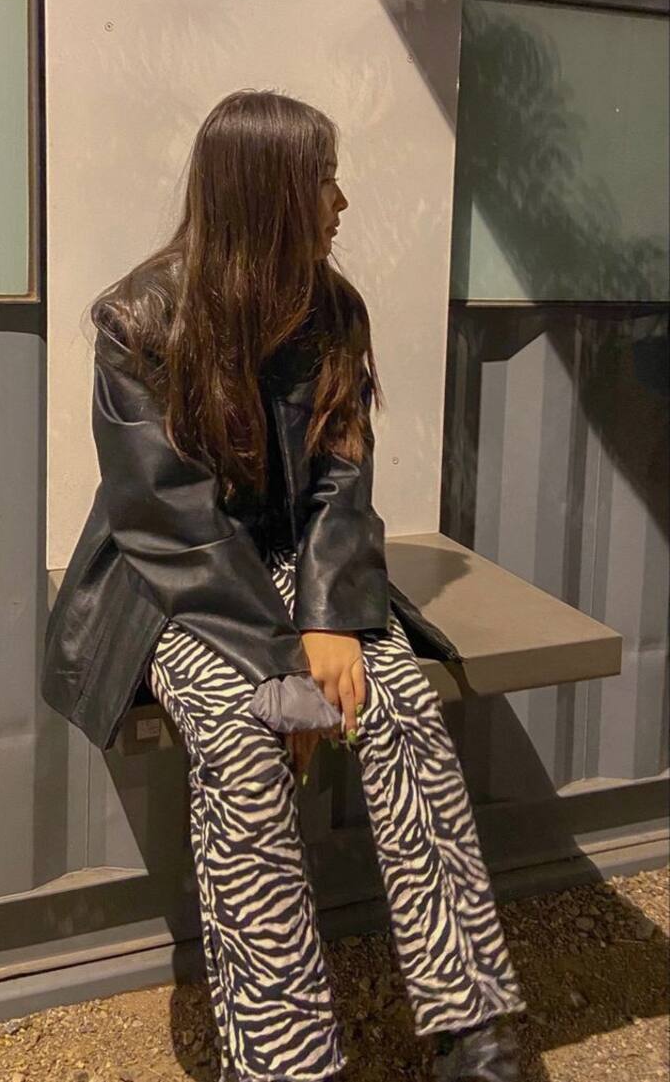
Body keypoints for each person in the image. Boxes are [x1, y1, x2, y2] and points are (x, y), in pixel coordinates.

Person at [84, 89, 526, 1081]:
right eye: (323, 179)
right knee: (243, 739)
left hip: (303, 565)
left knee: (402, 706)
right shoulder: (137, 320)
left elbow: (341, 484)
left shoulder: (334, 312)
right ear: (268, 192)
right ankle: (286, 1059)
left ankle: (476, 1030)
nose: (340, 201)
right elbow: (166, 519)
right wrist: (281, 658)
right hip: (182, 585)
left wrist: (329, 621)